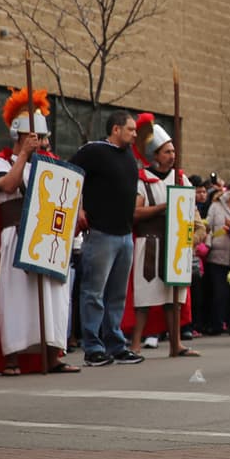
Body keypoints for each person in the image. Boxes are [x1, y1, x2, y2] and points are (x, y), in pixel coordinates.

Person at [0, 89, 77, 374]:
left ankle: (52, 355)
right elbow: (7, 186)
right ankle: (13, 358)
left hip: (45, 237)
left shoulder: (48, 165)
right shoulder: (1, 162)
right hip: (15, 237)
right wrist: (24, 156)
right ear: (19, 136)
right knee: (17, 298)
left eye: (42, 138)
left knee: (51, 297)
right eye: (36, 138)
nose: (41, 143)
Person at [71, 110, 145, 367]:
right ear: (116, 129)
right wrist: (77, 207)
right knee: (93, 292)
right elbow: (70, 175)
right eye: (131, 129)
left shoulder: (128, 157)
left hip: (124, 235)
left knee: (117, 295)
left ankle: (116, 344)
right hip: (101, 234)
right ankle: (92, 347)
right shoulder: (93, 151)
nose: (135, 134)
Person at [124, 113, 198, 357]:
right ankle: (135, 344)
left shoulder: (181, 178)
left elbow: (190, 211)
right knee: (145, 297)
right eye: (167, 151)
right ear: (155, 155)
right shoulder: (143, 179)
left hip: (175, 242)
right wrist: (164, 207)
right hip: (150, 242)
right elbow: (135, 212)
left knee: (173, 297)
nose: (172, 156)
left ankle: (176, 344)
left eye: (173, 151)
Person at [204, 178, 230, 336]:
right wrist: (207, 245)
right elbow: (208, 227)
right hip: (217, 256)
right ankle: (217, 323)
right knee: (219, 293)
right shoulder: (216, 206)